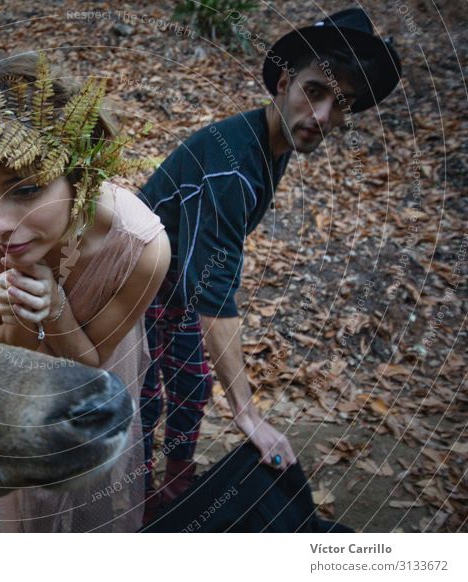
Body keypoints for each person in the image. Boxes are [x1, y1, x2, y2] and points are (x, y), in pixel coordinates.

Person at [138, 7, 402, 521]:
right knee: (143, 400)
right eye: (315, 91)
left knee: (192, 382)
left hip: (177, 285)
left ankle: (176, 489)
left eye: (341, 103)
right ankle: (140, 501)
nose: (322, 117)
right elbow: (213, 288)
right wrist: (247, 413)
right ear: (283, 83)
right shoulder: (233, 164)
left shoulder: (272, 142)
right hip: (132, 288)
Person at [0, 52, 171, 532]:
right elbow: (7, 362)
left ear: (80, 177)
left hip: (98, 361)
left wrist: (57, 309)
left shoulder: (141, 248)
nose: (0, 224)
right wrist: (23, 317)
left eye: (25, 189)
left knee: (90, 480)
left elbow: (91, 371)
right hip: (22, 382)